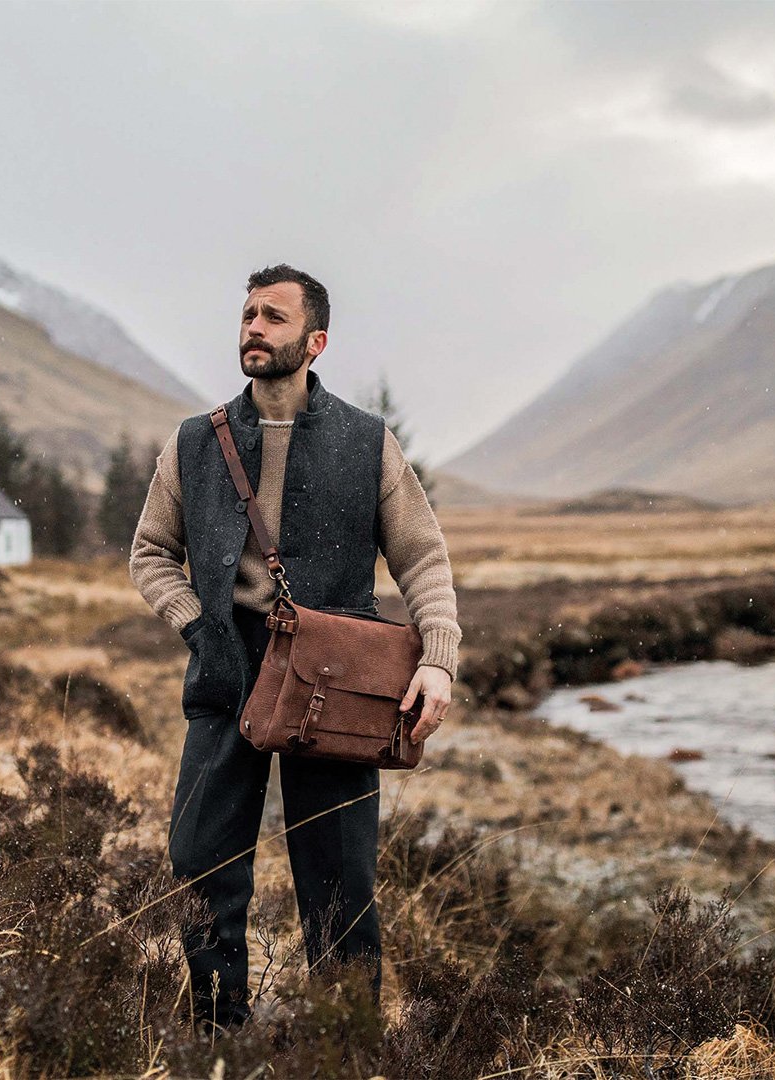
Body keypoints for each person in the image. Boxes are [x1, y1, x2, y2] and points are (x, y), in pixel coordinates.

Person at [129, 263, 461, 1033]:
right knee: (200, 864)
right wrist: (195, 624)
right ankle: (221, 1034)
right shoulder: (194, 443)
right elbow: (150, 551)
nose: (253, 327)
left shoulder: (366, 443)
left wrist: (437, 659)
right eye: (248, 313)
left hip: (336, 678)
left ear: (314, 341)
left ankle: (342, 1045)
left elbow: (423, 557)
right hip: (228, 668)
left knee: (338, 879)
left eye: (273, 317)